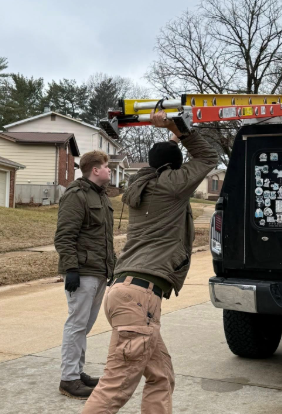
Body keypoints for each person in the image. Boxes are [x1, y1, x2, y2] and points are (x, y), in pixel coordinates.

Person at [82, 110, 218, 413]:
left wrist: (174, 133)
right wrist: (183, 132)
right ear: (175, 169)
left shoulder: (141, 183)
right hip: (140, 300)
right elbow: (208, 158)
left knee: (161, 376)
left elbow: (160, 161)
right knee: (114, 388)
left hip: (123, 293)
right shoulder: (173, 186)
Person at [55, 150, 116, 400]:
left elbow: (103, 238)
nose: (109, 170)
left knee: (84, 326)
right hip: (82, 272)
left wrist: (112, 267)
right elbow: (64, 235)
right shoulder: (76, 195)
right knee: (76, 325)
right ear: (95, 170)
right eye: (106, 166)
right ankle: (69, 380)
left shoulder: (101, 197)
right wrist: (71, 269)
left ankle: (77, 373)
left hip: (99, 271)